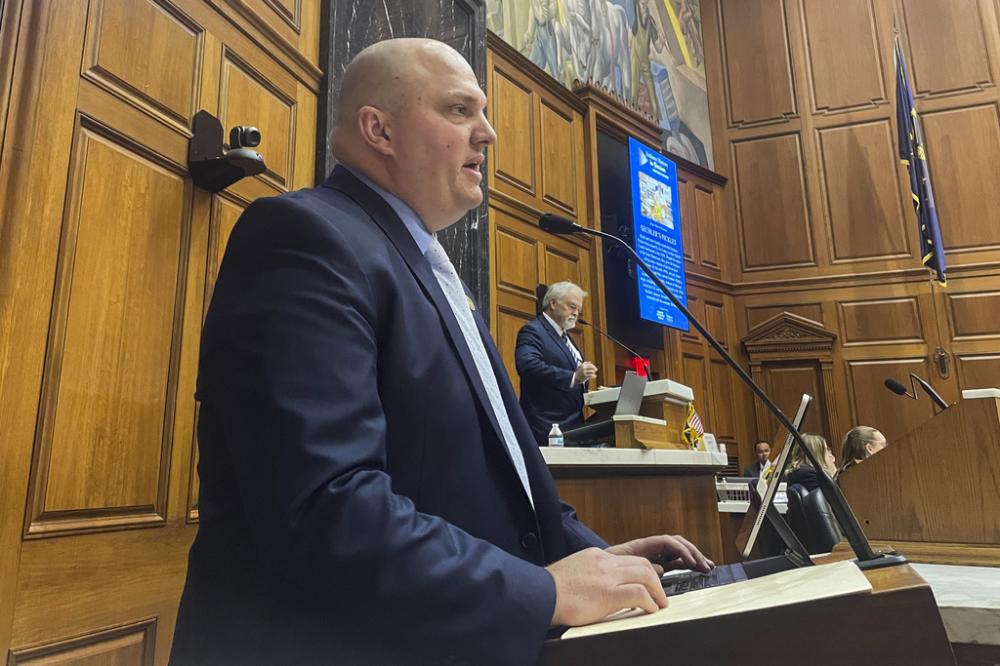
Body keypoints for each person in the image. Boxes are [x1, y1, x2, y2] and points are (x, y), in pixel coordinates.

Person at [170, 38, 712, 665]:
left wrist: (591, 557)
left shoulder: (426, 266)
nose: (489, 132)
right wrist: (542, 591)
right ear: (379, 130)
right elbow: (326, 508)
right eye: (459, 110)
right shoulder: (305, 238)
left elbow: (493, 480)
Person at [515, 282, 597, 447]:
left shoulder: (565, 337)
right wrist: (573, 377)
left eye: (578, 310)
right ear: (553, 303)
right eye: (572, 307)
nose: (576, 313)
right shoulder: (533, 331)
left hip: (572, 426)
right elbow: (527, 365)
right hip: (546, 426)